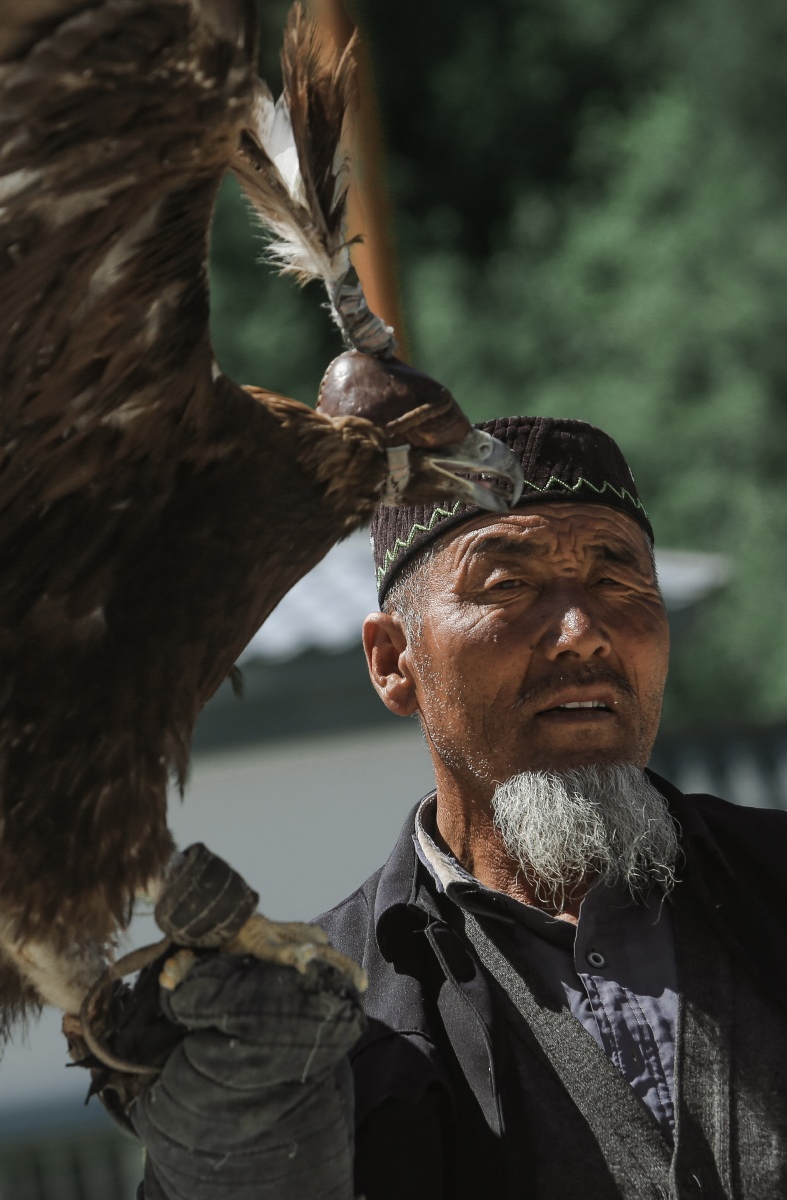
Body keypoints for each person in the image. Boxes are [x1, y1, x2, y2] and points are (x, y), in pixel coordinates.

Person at [126, 416, 787, 1200]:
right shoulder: (327, 1019)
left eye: (617, 580)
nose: (582, 633)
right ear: (392, 661)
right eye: (508, 585)